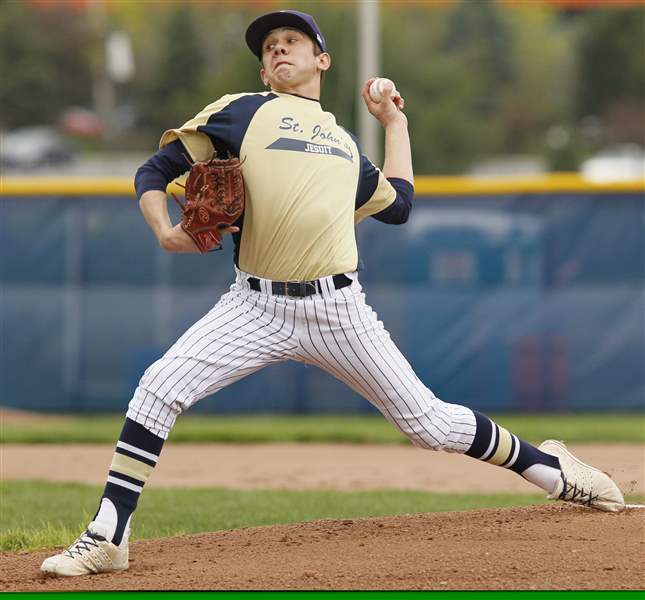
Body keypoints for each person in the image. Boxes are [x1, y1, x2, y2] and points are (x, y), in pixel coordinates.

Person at [41, 10, 624, 578]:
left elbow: (398, 206)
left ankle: (551, 468)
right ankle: (108, 536)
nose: (278, 49)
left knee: (429, 424)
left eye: (292, 40)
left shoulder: (346, 146)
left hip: (338, 308)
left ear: (322, 59)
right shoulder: (240, 113)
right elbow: (153, 169)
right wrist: (165, 230)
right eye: (269, 47)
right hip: (255, 305)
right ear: (265, 72)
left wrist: (395, 125)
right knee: (159, 387)